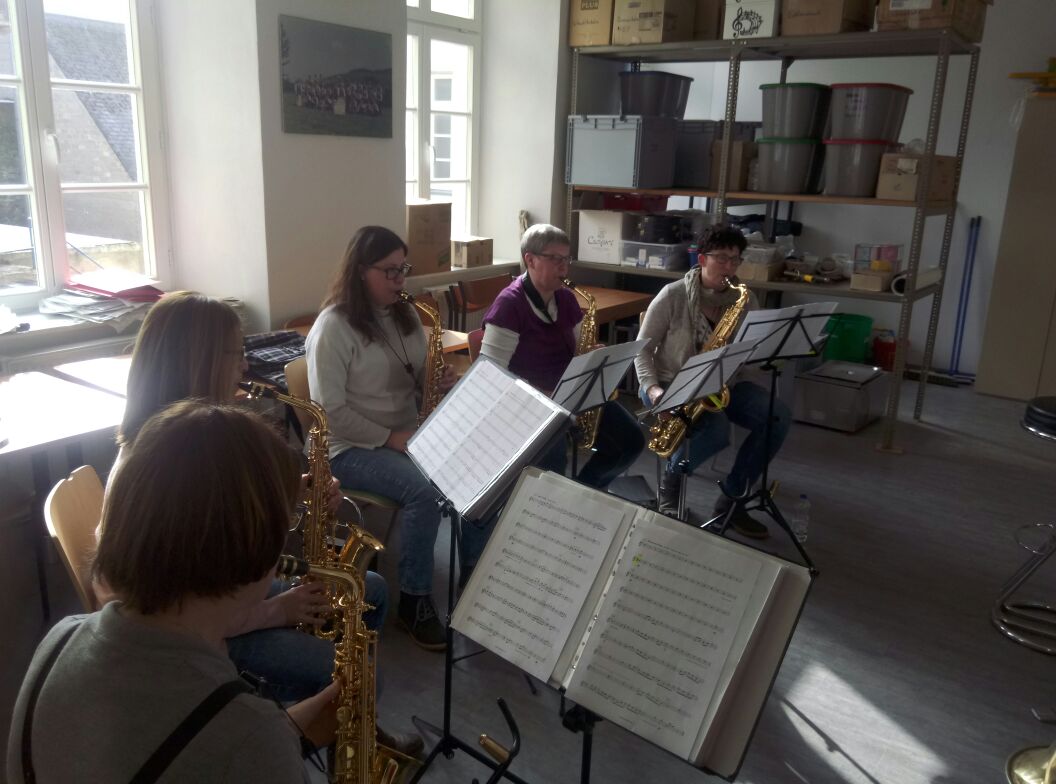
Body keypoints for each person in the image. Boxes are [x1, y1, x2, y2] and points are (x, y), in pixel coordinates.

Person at [8, 401, 338, 782]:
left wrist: (298, 720)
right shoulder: (254, 739)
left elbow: (183, 740)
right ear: (256, 550)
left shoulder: (57, 640)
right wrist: (271, 737)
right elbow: (230, 742)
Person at [306, 226, 459, 651]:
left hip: (402, 437)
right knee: (424, 491)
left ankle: (475, 576)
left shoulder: (404, 317)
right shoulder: (334, 327)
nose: (400, 279)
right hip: (345, 448)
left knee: (470, 467)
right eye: (389, 271)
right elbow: (329, 412)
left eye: (403, 269)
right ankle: (414, 600)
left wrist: (437, 380)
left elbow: (417, 378)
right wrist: (391, 438)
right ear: (360, 271)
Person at [634, 224, 792, 539]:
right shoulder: (673, 295)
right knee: (716, 430)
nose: (729, 267)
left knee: (777, 415)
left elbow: (752, 352)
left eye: (735, 260)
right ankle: (671, 483)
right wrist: (654, 390)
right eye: (721, 258)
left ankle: (732, 501)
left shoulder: (744, 299)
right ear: (703, 259)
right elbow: (641, 350)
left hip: (724, 384)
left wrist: (765, 353)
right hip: (669, 383)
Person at [480, 223, 645, 489]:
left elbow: (580, 348)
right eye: (555, 259)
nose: (564, 267)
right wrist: (544, 395)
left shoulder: (566, 299)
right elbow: (490, 375)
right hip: (528, 404)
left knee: (631, 440)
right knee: (553, 465)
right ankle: (553, 499)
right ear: (530, 260)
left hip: (569, 396)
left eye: (566, 259)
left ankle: (583, 493)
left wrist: (593, 356)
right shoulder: (509, 305)